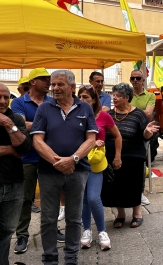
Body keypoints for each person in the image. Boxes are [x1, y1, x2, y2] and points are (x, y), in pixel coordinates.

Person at [31, 70, 97, 265]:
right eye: (53, 85)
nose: (55, 88)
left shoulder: (85, 108)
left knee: (74, 218)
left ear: (72, 87)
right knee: (48, 218)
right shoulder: (44, 108)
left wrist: (73, 159)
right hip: (49, 172)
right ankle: (50, 258)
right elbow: (37, 140)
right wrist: (58, 162)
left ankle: (71, 258)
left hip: (78, 171)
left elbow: (91, 139)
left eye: (60, 84)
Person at [11, 68, 60, 255]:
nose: (49, 83)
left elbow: (58, 123)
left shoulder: (52, 101)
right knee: (25, 199)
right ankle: (22, 235)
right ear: (33, 82)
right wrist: (46, 124)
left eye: (50, 79)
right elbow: (20, 126)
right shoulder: (18, 102)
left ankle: (52, 229)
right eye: (45, 79)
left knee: (51, 197)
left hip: (49, 156)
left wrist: (34, 124)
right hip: (27, 158)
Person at [100, 83, 159, 229]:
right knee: (116, 185)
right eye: (113, 95)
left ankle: (137, 213)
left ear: (127, 98)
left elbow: (145, 136)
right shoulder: (109, 115)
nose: (114, 98)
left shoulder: (138, 114)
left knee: (133, 184)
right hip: (112, 156)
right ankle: (120, 214)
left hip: (133, 156)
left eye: (118, 95)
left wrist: (147, 131)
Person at [78, 85, 122, 251]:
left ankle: (102, 231)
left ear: (94, 99)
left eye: (86, 97)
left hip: (96, 163)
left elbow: (117, 136)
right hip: (79, 162)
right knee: (83, 199)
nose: (82, 100)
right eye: (80, 97)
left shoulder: (103, 116)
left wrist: (117, 156)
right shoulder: (75, 115)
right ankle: (87, 231)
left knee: (93, 198)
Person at [0, 83, 32, 265]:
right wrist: (10, 150)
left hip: (14, 183)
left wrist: (8, 124)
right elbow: (16, 150)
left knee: (7, 230)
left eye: (6, 97)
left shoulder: (15, 119)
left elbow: (25, 148)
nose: (3, 101)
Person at [129, 69, 158, 206]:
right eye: (133, 78)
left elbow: (148, 113)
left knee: (141, 163)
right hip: (127, 133)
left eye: (138, 78)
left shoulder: (150, 96)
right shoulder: (126, 94)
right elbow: (144, 113)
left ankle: (140, 192)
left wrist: (129, 113)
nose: (135, 80)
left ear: (143, 80)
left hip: (143, 133)